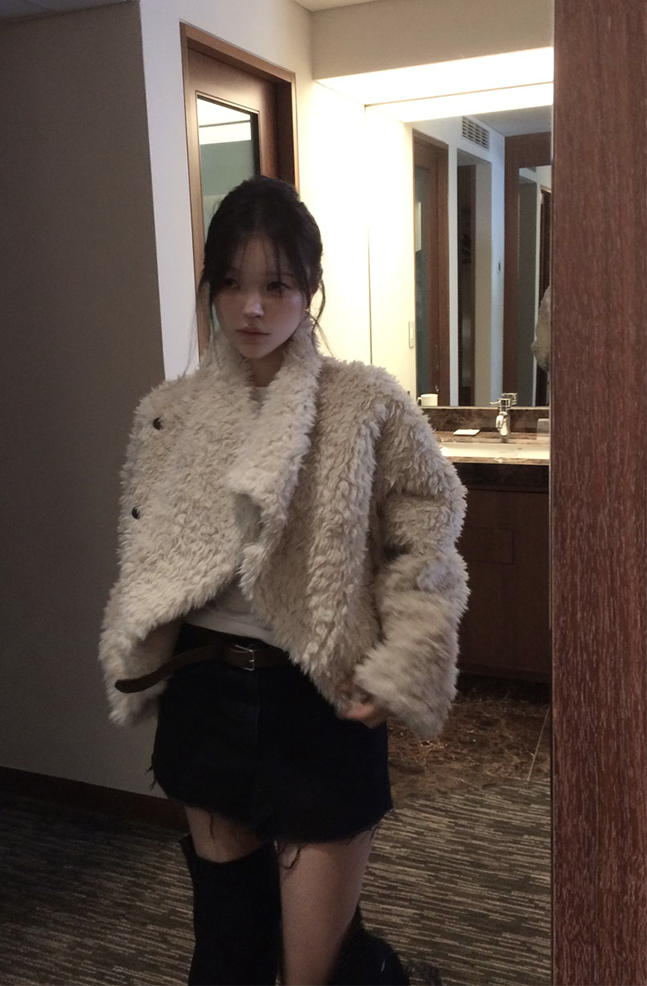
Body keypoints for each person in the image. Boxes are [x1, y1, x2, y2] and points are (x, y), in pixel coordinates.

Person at [99, 176, 468, 986]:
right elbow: (147, 547)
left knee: (316, 970)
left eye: (276, 283)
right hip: (205, 697)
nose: (252, 307)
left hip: (317, 704)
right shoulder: (169, 413)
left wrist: (405, 655)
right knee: (226, 953)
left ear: (310, 289)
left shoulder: (363, 403)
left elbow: (427, 531)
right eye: (232, 282)